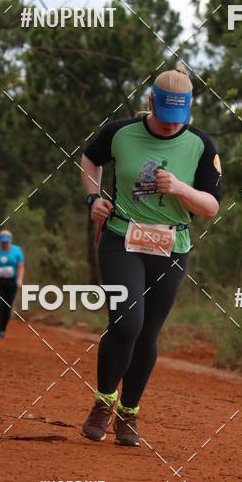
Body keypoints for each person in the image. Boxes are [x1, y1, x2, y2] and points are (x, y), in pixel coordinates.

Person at [80, 64, 222, 447]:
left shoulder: (201, 145)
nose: (169, 126)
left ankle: (129, 413)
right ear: (150, 103)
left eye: (177, 120)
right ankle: (103, 402)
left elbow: (210, 206)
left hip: (171, 247)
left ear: (189, 113)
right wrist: (94, 197)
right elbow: (90, 159)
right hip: (121, 237)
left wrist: (180, 189)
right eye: (162, 117)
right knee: (127, 323)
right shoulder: (120, 132)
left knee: (147, 334)